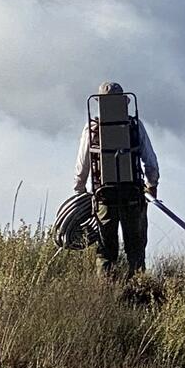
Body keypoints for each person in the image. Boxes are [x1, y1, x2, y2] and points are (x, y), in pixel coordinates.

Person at [73, 81, 159, 279]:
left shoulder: (92, 128)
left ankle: (105, 294)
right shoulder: (134, 125)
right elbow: (151, 162)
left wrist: (80, 193)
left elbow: (82, 167)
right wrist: (152, 185)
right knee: (135, 249)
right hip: (132, 196)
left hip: (104, 198)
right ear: (124, 103)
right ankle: (139, 291)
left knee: (106, 252)